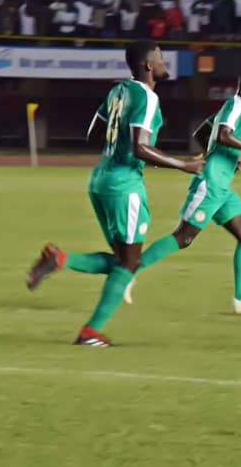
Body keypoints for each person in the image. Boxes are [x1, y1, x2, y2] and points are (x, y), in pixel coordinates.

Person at [25, 41, 203, 347]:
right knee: (129, 263)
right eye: (160, 57)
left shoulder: (118, 91)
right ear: (148, 65)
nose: (164, 62)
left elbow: (95, 132)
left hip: (101, 177)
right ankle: (90, 331)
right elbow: (139, 147)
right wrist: (184, 164)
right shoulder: (147, 98)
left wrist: (129, 152)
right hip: (124, 185)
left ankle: (59, 258)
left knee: (124, 260)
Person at [123, 68, 241, 314]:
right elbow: (224, 135)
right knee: (183, 237)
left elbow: (202, 133)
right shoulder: (236, 106)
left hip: (222, 186)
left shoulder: (237, 108)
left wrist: (225, 159)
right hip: (211, 184)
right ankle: (127, 274)